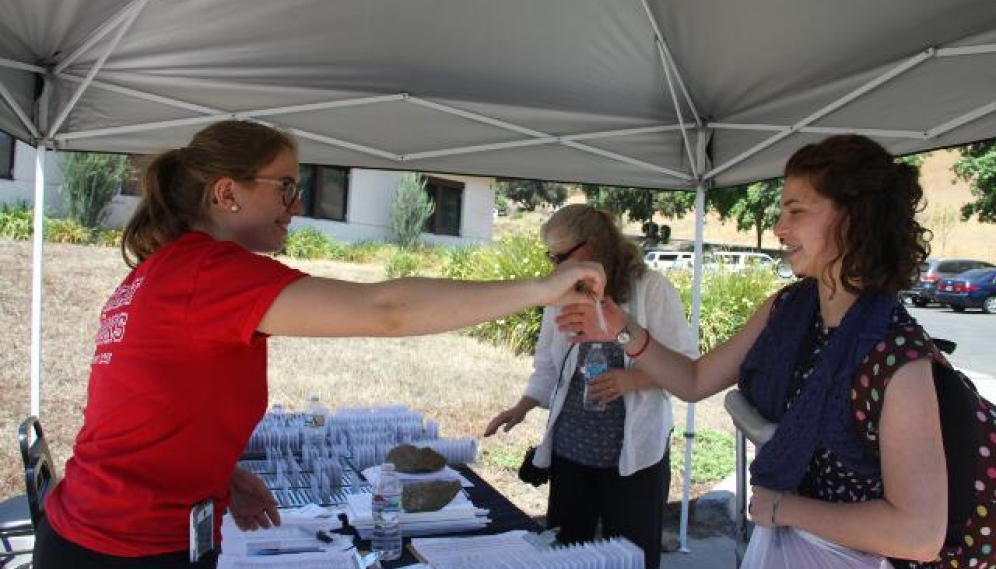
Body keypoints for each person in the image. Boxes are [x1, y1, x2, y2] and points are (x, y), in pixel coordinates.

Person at [32, 120, 605, 569]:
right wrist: (540, 288)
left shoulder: (172, 271)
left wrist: (218, 475)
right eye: (286, 187)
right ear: (226, 193)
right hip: (121, 549)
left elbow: (149, 411)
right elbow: (388, 312)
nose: (298, 205)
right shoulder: (207, 271)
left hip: (109, 534)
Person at [557, 134, 991, 567]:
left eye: (796, 212)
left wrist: (783, 508)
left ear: (856, 218)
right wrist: (621, 329)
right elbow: (694, 381)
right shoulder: (789, 308)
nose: (780, 228)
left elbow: (917, 534)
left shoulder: (898, 361)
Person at [484, 204, 697, 569]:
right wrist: (523, 406)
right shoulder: (562, 292)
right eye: (550, 256)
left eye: (562, 256)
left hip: (633, 459)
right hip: (573, 453)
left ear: (594, 245)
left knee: (633, 556)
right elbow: (548, 365)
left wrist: (630, 379)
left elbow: (686, 364)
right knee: (566, 554)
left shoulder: (651, 289)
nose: (555, 266)